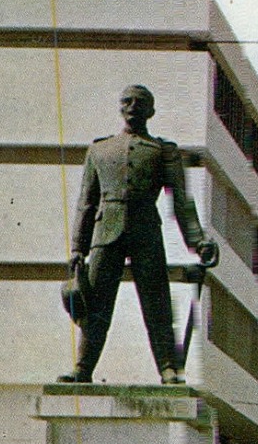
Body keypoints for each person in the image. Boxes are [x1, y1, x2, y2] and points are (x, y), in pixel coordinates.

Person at [60, 85, 219, 385]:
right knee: (96, 304)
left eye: (140, 102)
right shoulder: (99, 150)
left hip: (146, 230)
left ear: (151, 111)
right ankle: (83, 368)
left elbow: (182, 202)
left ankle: (168, 368)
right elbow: (86, 201)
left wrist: (198, 242)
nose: (133, 106)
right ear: (120, 107)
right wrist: (78, 248)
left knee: (156, 302)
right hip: (105, 232)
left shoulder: (163, 151)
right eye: (127, 101)